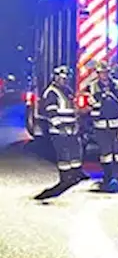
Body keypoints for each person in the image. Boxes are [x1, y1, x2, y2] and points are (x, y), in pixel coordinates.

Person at [34, 65, 87, 200]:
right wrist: (60, 127)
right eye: (62, 78)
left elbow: (73, 109)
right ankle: (65, 178)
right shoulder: (51, 92)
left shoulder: (67, 90)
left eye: (66, 78)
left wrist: (76, 122)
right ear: (56, 77)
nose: (65, 80)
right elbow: (51, 113)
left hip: (71, 128)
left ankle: (76, 173)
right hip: (59, 130)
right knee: (64, 154)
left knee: (75, 151)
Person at [82, 60, 118, 192]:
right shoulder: (92, 87)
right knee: (106, 153)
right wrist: (101, 99)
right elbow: (90, 102)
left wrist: (113, 96)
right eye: (101, 73)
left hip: (117, 123)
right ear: (97, 74)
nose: (104, 75)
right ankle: (108, 177)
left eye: (106, 72)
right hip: (101, 125)